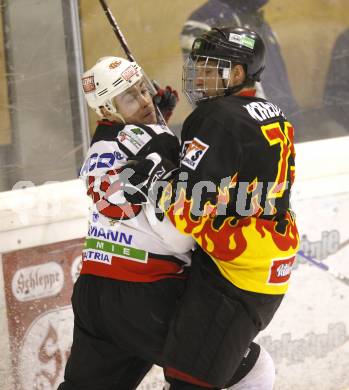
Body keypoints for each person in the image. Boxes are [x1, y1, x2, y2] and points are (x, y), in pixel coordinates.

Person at [58, 56, 275, 390]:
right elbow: (103, 191)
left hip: (100, 293)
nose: (146, 100)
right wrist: (138, 177)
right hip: (142, 291)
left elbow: (143, 150)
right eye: (130, 97)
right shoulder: (106, 144)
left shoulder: (130, 133)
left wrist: (158, 130)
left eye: (144, 89)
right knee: (250, 368)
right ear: (105, 111)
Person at [121, 26, 300, 388]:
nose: (199, 74)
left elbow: (190, 209)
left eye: (208, 66)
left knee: (190, 381)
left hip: (234, 273)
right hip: (265, 265)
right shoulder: (271, 112)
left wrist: (153, 179)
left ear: (236, 73)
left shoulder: (216, 116)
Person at [180, 0, 300, 127]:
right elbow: (203, 93)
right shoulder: (204, 21)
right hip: (250, 133)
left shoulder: (254, 18)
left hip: (280, 126)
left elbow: (277, 85)